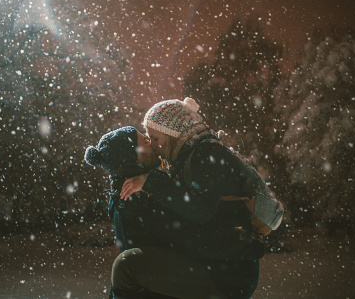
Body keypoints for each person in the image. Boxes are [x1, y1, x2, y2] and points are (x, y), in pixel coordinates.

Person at [113, 97, 282, 298]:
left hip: (227, 275)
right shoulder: (186, 159)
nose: (154, 146)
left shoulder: (206, 152)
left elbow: (201, 210)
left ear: (172, 132)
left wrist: (152, 182)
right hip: (214, 265)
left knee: (127, 267)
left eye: (156, 138)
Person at [84, 126, 228, 299]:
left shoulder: (125, 194)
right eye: (144, 140)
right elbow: (190, 236)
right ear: (134, 155)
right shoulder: (138, 199)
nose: (150, 143)